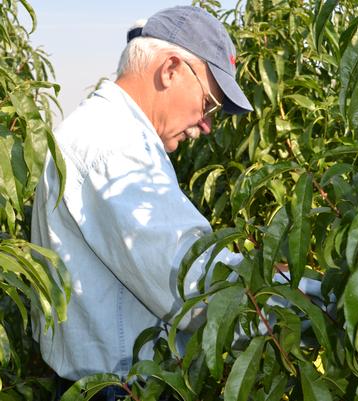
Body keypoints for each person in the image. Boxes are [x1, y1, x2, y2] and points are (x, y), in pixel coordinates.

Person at [31, 5, 254, 400]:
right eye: (209, 104)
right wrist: (309, 299)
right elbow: (189, 283)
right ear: (170, 69)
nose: (206, 125)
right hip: (121, 390)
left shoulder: (108, 133)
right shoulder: (114, 145)